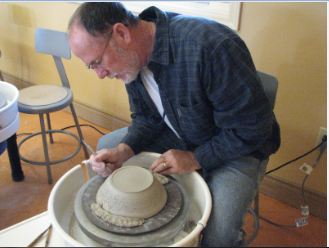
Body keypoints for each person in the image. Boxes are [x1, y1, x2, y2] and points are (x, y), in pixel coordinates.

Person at [68, 2, 280, 246]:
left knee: (218, 235)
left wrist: (195, 158)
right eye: (91, 67)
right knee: (109, 145)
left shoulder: (210, 46)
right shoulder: (131, 61)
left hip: (238, 145)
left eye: (97, 62)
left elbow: (253, 128)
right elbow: (147, 118)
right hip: (183, 132)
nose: (100, 74)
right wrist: (125, 149)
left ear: (121, 34)